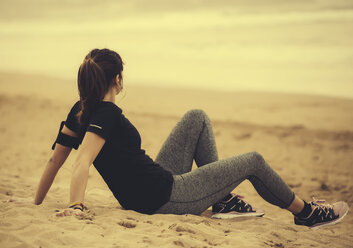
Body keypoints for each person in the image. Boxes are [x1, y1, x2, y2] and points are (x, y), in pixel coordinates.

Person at [34, 48, 348, 229]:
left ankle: (222, 200)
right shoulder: (107, 114)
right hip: (165, 197)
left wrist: (35, 201)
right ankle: (306, 213)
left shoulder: (81, 109)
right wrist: (76, 206)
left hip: (152, 184)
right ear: (117, 79)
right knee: (253, 161)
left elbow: (54, 159)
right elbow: (82, 160)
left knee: (196, 116)